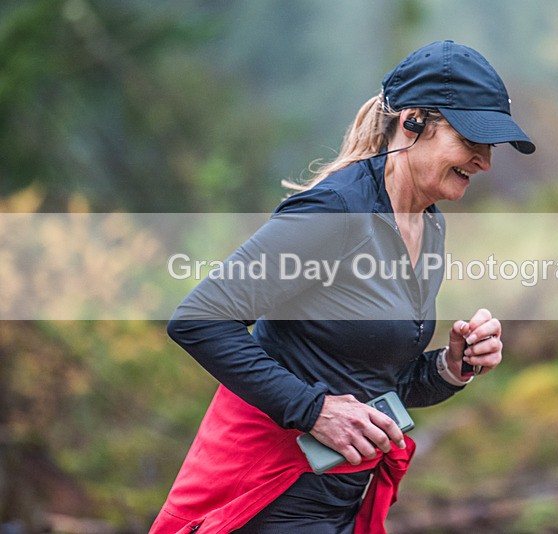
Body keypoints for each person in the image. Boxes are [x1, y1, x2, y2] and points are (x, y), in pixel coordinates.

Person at [150, 40, 535, 534]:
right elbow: (199, 319)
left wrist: (451, 366)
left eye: (491, 146)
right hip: (267, 497)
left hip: (341, 499)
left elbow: (377, 381)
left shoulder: (427, 222)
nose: (484, 161)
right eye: (472, 141)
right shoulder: (337, 212)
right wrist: (312, 409)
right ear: (413, 121)